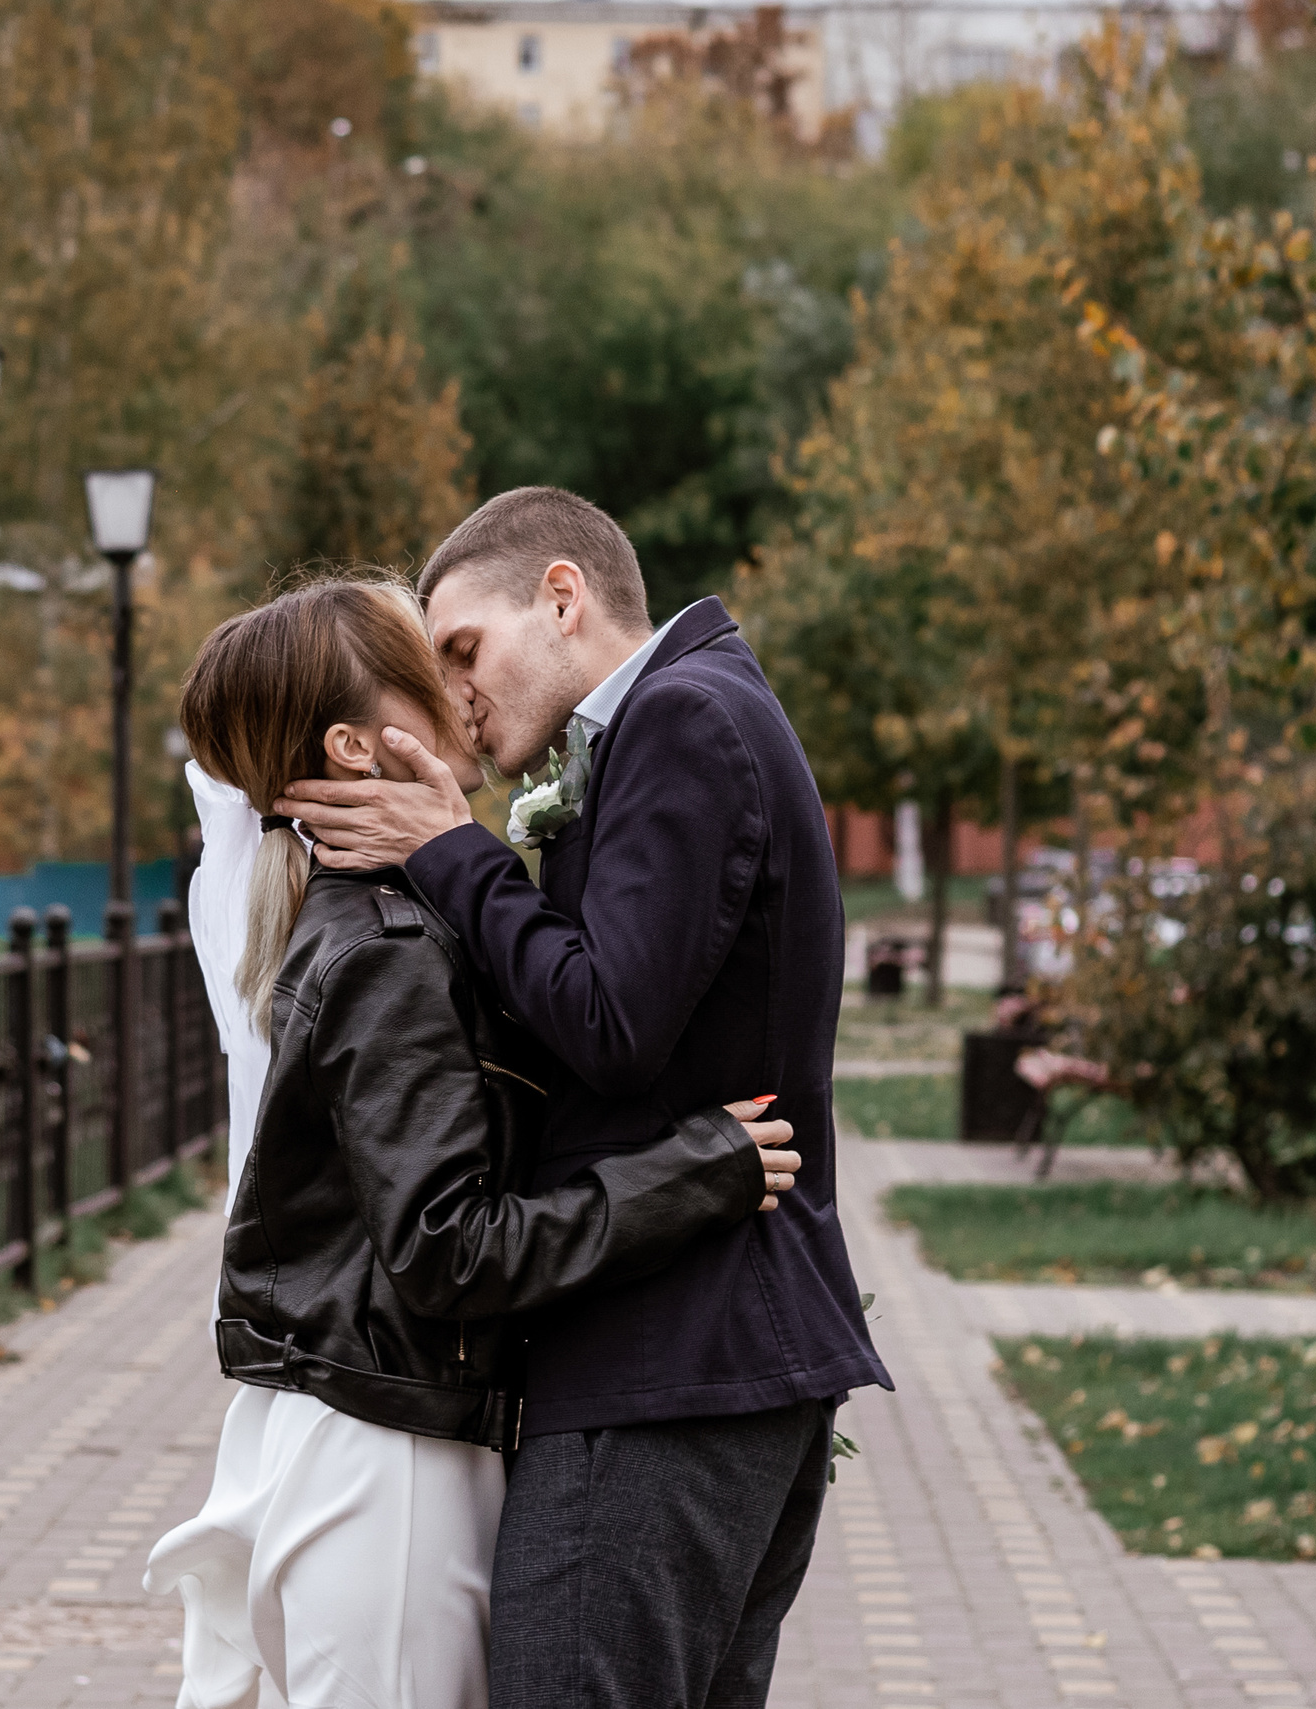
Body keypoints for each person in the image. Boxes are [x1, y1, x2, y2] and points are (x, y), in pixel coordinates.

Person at [276, 491, 892, 1709]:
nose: (453, 695)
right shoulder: (694, 712)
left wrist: (453, 851)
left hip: (666, 1366)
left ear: (561, 596)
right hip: (714, 1367)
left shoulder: (684, 717)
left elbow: (610, 1020)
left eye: (463, 649)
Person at [146, 577, 804, 1709]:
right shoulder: (389, 946)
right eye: (427, 658)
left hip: (389, 1433)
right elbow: (448, 1249)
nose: (461, 684)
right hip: (384, 1463)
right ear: (357, 743)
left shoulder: (396, 918)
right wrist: (692, 1174)